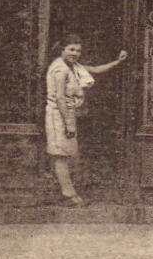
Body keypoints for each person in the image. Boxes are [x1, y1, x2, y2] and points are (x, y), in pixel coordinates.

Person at [44, 35, 127, 206]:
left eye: (78, 50)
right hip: (58, 115)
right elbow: (59, 98)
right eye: (71, 49)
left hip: (67, 113)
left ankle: (66, 190)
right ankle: (68, 194)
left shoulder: (73, 66)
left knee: (67, 153)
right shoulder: (60, 69)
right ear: (62, 50)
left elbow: (95, 70)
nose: (75, 53)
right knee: (60, 154)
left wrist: (117, 62)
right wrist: (68, 122)